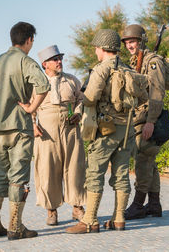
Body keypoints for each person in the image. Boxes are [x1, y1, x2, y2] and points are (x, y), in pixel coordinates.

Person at [66, 29, 134, 234]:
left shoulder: (101, 69)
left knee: (94, 173)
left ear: (103, 48)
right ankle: (119, 218)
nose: (95, 52)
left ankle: (89, 221)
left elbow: (90, 97)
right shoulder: (127, 67)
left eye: (96, 48)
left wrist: (82, 96)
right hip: (127, 128)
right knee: (122, 173)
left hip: (106, 129)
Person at [0, 21, 50, 240]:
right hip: (19, 128)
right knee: (18, 178)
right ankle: (15, 227)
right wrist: (32, 108)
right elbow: (44, 85)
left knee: (1, 176)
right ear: (29, 39)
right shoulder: (25, 61)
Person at [32, 45, 86, 226]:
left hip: (70, 129)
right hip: (46, 133)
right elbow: (28, 107)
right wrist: (33, 125)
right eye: (55, 59)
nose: (59, 62)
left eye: (60, 58)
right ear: (44, 64)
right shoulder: (36, 83)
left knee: (75, 168)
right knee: (48, 171)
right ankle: (51, 210)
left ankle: (77, 207)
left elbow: (81, 99)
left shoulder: (71, 80)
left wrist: (78, 112)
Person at [121, 24, 166, 220]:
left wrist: (151, 121)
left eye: (133, 41)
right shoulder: (135, 62)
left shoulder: (153, 62)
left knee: (143, 162)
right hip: (139, 117)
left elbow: (157, 93)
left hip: (148, 117)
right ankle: (154, 205)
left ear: (141, 41)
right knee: (150, 163)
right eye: (127, 42)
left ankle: (138, 205)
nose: (130, 45)